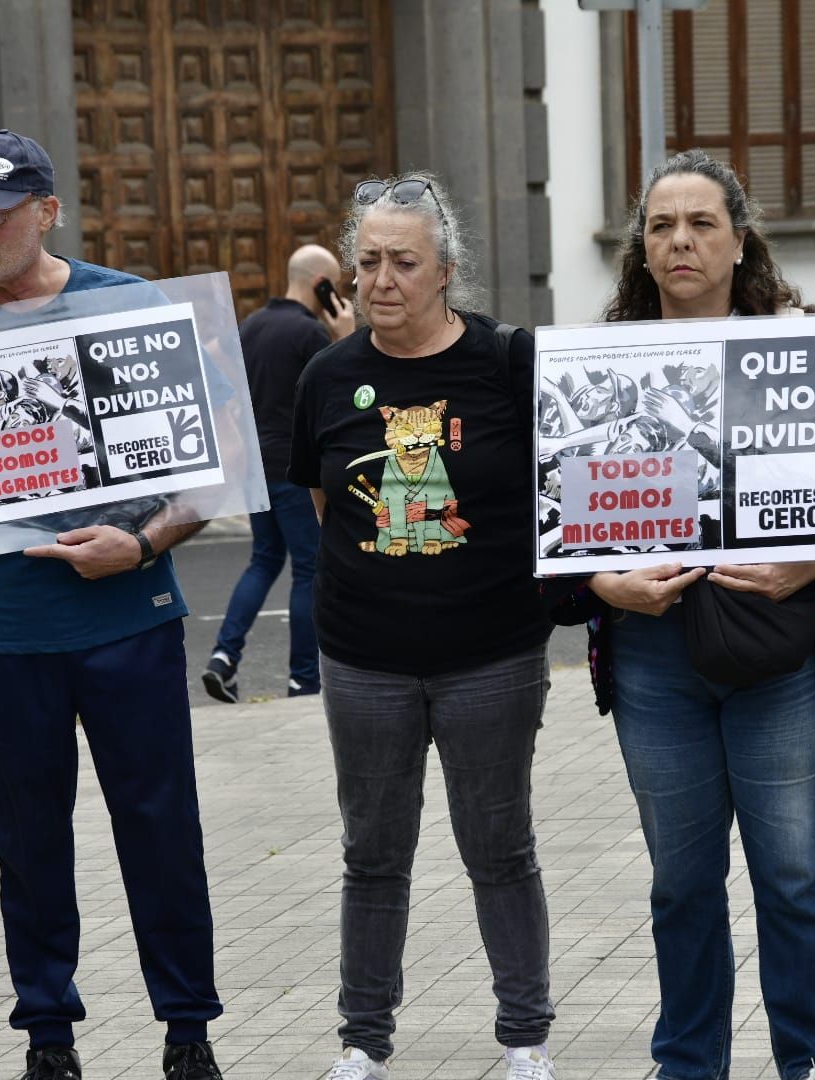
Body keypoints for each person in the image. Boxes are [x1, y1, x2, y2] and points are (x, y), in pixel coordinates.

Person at [546, 150, 815, 1080]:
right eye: (661, 226)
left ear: (740, 243)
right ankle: (688, 1065)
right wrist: (598, 588)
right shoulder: (597, 366)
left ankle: (812, 1065)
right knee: (681, 883)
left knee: (793, 877)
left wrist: (807, 562)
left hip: (783, 654)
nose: (681, 241)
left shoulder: (802, 348)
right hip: (653, 656)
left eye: (702, 223)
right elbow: (554, 517)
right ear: (642, 250)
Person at [0, 131, 224, 1080]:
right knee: (26, 842)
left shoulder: (131, 306)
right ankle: (48, 1033)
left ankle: (187, 1027)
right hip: (5, 637)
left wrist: (144, 543)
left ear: (47, 211)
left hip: (131, 617)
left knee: (161, 825)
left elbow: (209, 471)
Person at [288, 173, 558, 1080]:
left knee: (500, 847)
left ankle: (524, 1038)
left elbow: (551, 491)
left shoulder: (505, 362)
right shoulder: (326, 375)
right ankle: (363, 1042)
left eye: (403, 262)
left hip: (493, 654)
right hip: (364, 659)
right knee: (372, 855)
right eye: (367, 262)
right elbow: (328, 504)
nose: (380, 280)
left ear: (447, 271)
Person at [201, 243, 354, 702]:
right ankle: (302, 678)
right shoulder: (309, 334)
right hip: (294, 470)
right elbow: (343, 391)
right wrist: (344, 336)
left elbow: (216, 365)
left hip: (256, 467)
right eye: (337, 286)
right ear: (321, 285)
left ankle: (223, 658)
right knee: (308, 569)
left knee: (264, 560)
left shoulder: (251, 326)